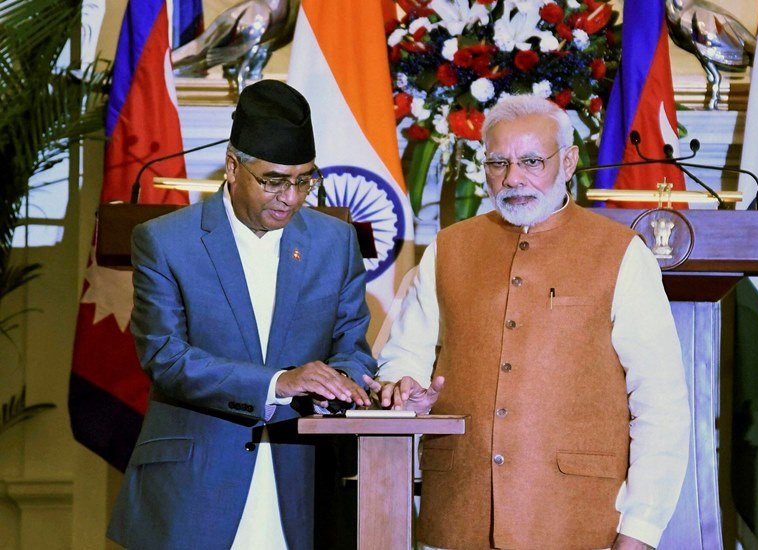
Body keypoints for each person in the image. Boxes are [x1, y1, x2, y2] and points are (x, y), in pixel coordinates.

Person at [367, 95, 690, 550]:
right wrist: (404, 388)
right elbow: (404, 356)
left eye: (532, 162)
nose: (513, 178)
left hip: (578, 522)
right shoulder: (448, 248)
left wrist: (641, 529)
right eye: (498, 163)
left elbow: (661, 403)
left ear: (568, 161)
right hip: (458, 516)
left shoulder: (621, 253)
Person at [108, 80, 375, 549]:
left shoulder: (335, 242)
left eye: (304, 180)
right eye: (274, 180)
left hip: (305, 485)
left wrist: (338, 386)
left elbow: (352, 349)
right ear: (233, 167)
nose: (290, 197)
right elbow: (166, 357)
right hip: (193, 490)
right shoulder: (166, 241)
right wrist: (278, 382)